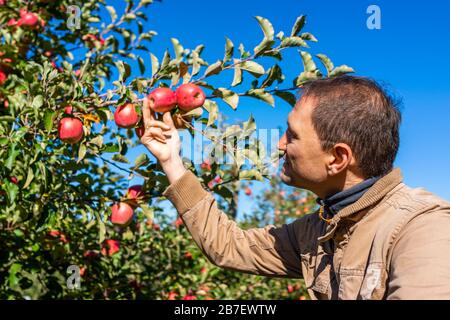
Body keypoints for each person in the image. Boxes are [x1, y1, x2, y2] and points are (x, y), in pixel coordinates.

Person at [140, 76, 450, 300]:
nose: (280, 144)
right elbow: (229, 247)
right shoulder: (316, 231)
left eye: (293, 135)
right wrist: (172, 162)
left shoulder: (423, 228)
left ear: (338, 158)